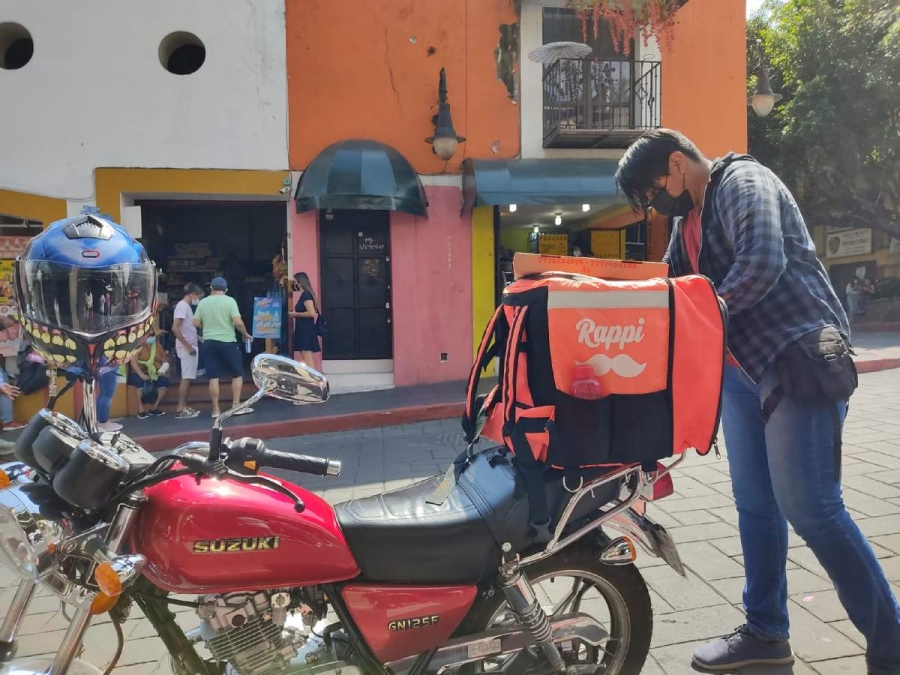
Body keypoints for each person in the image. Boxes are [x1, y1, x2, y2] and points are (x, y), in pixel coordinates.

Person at [615, 129, 900, 674]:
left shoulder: (744, 182)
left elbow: (762, 263)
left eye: (653, 193)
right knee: (754, 505)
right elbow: (673, 288)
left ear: (677, 163)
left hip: (796, 358)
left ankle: (892, 642)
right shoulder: (685, 222)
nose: (655, 207)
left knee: (813, 507)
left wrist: (697, 317)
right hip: (741, 373)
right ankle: (767, 632)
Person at [193, 276, 253, 418]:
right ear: (225, 290)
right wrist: (245, 334)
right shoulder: (230, 301)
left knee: (213, 377)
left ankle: (215, 410)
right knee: (237, 374)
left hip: (209, 342)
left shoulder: (203, 302)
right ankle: (236, 406)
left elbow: (195, 323)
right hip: (227, 341)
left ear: (211, 288)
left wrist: (208, 327)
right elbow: (238, 322)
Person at [172, 283, 203, 419]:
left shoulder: (186, 307)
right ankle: (180, 408)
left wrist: (198, 337)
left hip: (190, 344)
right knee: (186, 378)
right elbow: (175, 328)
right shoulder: (182, 307)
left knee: (188, 377)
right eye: (199, 297)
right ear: (193, 295)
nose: (199, 300)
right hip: (186, 347)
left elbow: (186, 328)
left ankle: (184, 406)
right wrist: (188, 346)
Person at [127, 333, 169, 419]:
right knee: (140, 382)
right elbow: (133, 362)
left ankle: (154, 408)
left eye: (153, 335)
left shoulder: (157, 346)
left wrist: (162, 369)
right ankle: (141, 410)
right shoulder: (137, 347)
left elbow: (164, 360)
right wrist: (142, 375)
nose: (151, 337)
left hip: (155, 372)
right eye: (149, 335)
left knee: (164, 381)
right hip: (139, 372)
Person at [289, 272, 321, 369]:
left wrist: (296, 314)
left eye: (295, 281)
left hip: (306, 330)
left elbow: (311, 313)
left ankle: (314, 382)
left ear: (300, 282)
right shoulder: (305, 294)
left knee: (308, 362)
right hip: (303, 329)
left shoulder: (306, 295)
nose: (294, 284)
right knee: (306, 359)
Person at [96, 367, 122, 432]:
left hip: (104, 365)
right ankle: (103, 422)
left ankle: (100, 421)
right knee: (107, 393)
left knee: (103, 393)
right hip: (109, 364)